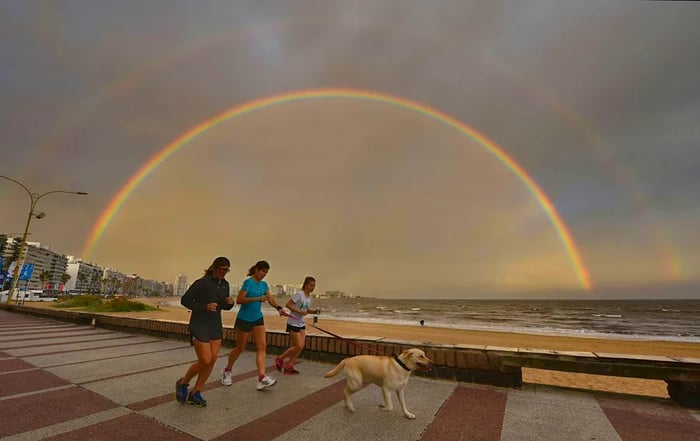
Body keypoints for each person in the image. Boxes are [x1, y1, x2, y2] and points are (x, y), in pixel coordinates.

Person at [175, 256, 235, 407]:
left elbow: (223, 305)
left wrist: (230, 303)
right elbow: (185, 300)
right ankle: (183, 383)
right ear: (215, 267)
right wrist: (204, 307)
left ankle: (196, 392)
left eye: (227, 270)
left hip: (215, 325)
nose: (224, 273)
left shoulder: (225, 285)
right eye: (222, 269)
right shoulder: (202, 283)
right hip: (199, 324)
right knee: (205, 360)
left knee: (212, 359)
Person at [222, 260, 285, 390]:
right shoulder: (248, 283)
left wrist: (279, 308)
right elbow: (240, 300)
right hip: (244, 319)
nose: (264, 275)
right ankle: (227, 370)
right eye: (263, 271)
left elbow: (269, 298)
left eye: (266, 273)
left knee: (262, 347)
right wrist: (257, 298)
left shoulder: (264, 285)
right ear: (256, 269)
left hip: (258, 318)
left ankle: (261, 378)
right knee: (240, 348)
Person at [274, 276, 320, 375]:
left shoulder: (309, 298)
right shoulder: (299, 295)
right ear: (306, 285)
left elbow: (306, 310)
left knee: (301, 346)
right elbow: (288, 305)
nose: (312, 288)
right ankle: (280, 358)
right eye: (311, 286)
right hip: (293, 323)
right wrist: (299, 311)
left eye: (314, 286)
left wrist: (314, 311)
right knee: (298, 346)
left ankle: (289, 366)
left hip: (301, 323)